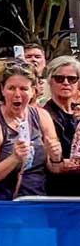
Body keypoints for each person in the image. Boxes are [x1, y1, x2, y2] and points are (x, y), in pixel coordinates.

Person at [0, 62, 62, 199]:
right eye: (11, 88)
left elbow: (56, 169)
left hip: (38, 202)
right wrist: (14, 159)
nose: (17, 94)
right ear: (2, 90)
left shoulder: (42, 116)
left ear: (33, 91)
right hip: (6, 206)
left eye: (23, 89)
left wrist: (56, 157)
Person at [42, 56, 80, 195]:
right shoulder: (43, 115)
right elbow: (49, 162)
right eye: (59, 78)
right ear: (50, 81)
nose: (66, 83)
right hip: (57, 192)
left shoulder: (78, 111)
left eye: (72, 79)